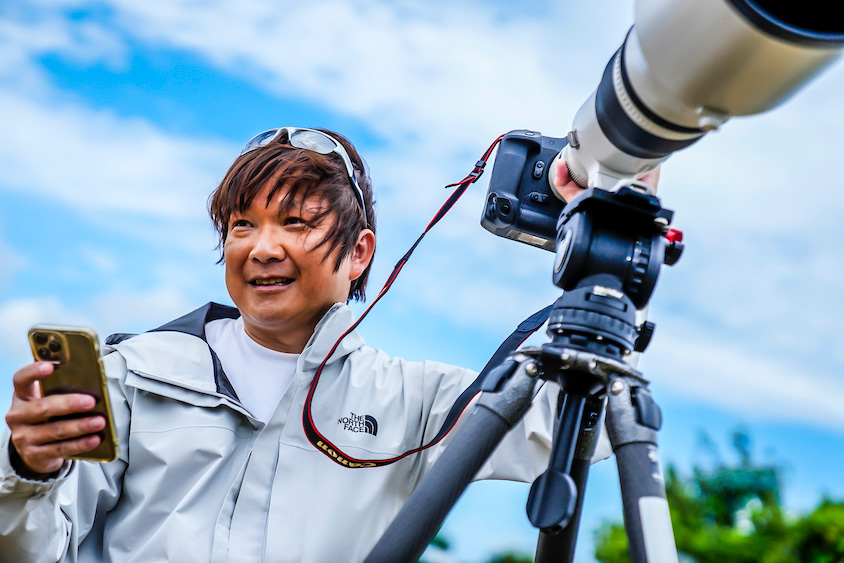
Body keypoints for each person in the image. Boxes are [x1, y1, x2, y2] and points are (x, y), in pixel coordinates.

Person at [0, 128, 642, 562]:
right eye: (242, 224)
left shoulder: (416, 403)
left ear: (360, 253)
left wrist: (611, 238)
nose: (262, 246)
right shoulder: (131, 376)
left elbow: (584, 425)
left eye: (298, 223)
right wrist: (24, 471)